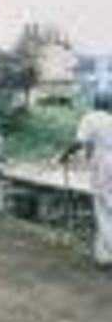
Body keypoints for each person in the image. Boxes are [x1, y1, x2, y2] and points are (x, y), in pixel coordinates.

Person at [59, 95, 112, 267]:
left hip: (104, 164)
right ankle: (102, 256)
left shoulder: (91, 118)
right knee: (106, 207)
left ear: (95, 104)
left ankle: (107, 252)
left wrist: (65, 155)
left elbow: (80, 141)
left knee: (102, 207)